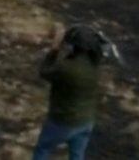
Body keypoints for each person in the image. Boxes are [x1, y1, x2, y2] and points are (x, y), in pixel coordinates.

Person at [32, 24, 104, 160]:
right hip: (86, 121)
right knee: (77, 155)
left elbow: (44, 71)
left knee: (43, 149)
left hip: (62, 122)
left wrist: (55, 48)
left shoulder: (66, 68)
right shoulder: (94, 64)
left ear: (74, 46)